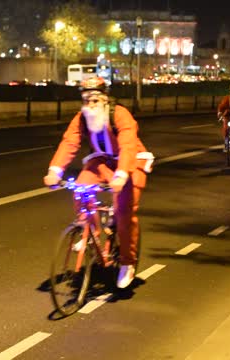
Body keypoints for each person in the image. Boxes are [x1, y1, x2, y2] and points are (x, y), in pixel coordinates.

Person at [43, 76, 153, 289]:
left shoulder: (120, 114)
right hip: (102, 160)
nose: (90, 105)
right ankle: (88, 229)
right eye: (86, 100)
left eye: (95, 100)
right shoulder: (82, 118)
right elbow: (69, 142)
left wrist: (121, 175)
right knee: (81, 186)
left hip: (131, 162)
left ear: (105, 99)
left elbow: (128, 146)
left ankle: (127, 263)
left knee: (124, 212)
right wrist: (54, 171)